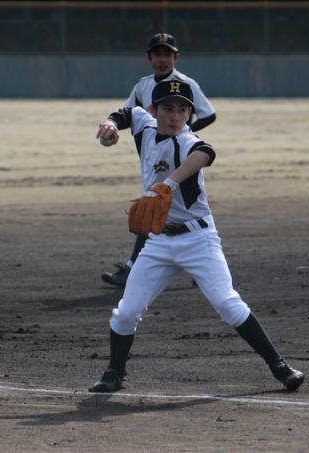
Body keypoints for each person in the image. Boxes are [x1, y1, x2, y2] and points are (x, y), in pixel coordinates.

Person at [90, 80, 305, 393]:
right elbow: (127, 113)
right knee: (126, 313)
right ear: (154, 110)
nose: (175, 116)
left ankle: (281, 367)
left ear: (189, 113)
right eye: (168, 108)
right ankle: (114, 373)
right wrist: (110, 123)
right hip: (160, 241)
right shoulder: (144, 124)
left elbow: (206, 152)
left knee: (228, 303)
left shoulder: (187, 140)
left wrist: (169, 184)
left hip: (198, 239)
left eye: (182, 110)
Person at [101, 33, 217, 288]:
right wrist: (113, 125)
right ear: (149, 58)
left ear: (176, 57)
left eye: (167, 54)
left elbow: (209, 114)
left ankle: (198, 262)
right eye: (157, 54)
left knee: (167, 205)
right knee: (155, 206)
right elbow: (128, 113)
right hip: (153, 153)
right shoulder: (142, 86)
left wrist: (186, 132)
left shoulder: (186, 83)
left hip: (183, 152)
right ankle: (202, 264)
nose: (162, 59)